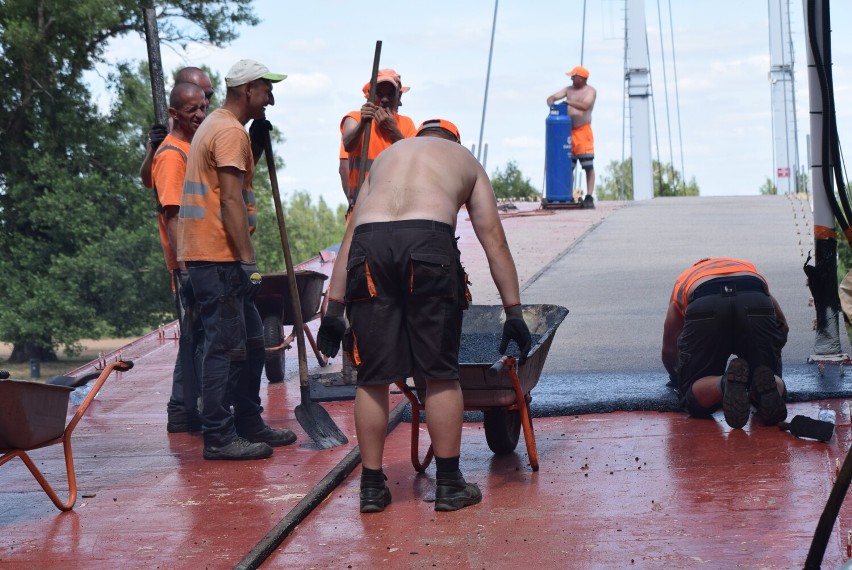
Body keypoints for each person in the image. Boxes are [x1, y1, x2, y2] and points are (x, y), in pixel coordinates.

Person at [317, 118, 532, 513]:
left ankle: (371, 487)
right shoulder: (463, 159)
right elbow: (493, 239)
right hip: (428, 243)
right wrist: (513, 311)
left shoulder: (386, 157)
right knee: (439, 373)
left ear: (419, 138)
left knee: (373, 377)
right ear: (454, 140)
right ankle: (450, 484)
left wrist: (334, 309)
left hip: (371, 246)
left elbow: (350, 236)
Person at [178, 59, 296, 460]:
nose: (272, 99)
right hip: (218, 258)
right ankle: (218, 436)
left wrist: (257, 144)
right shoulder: (228, 131)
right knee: (224, 348)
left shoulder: (222, 127)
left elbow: (230, 181)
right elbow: (229, 199)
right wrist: (248, 262)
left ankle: (248, 420)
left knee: (250, 341)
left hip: (216, 255)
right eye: (267, 91)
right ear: (248, 90)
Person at [661, 258, 789, 429]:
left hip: (705, 299)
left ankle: (724, 383)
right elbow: (782, 325)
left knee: (692, 395)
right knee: (766, 372)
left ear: (697, 266)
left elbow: (670, 348)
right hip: (753, 293)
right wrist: (770, 353)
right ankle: (770, 382)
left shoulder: (685, 279)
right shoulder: (744, 267)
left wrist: (677, 376)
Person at [150, 82, 207, 433]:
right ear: (173, 114)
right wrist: (186, 270)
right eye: (192, 111)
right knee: (197, 338)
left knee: (195, 336)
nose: (200, 115)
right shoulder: (172, 155)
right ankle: (183, 408)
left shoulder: (190, 146)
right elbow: (174, 215)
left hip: (201, 258)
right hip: (191, 263)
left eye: (203, 108)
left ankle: (184, 410)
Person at [340, 68, 415, 207]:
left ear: (399, 96)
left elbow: (414, 160)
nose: (384, 100)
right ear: (369, 95)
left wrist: (392, 130)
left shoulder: (407, 124)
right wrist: (363, 123)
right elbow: (348, 147)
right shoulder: (355, 118)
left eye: (390, 94)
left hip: (394, 206)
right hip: (361, 205)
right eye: (379, 94)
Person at [141, 67, 214, 189]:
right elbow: (148, 180)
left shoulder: (212, 130)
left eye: (209, 96)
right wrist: (154, 148)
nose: (206, 102)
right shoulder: (165, 132)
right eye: (201, 94)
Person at [546, 65, 597, 208]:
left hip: (583, 132)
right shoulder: (568, 90)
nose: (571, 78)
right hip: (568, 133)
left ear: (581, 78)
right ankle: (567, 193)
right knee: (567, 166)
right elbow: (553, 97)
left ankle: (589, 195)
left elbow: (585, 106)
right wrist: (552, 102)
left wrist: (568, 102)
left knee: (588, 165)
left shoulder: (590, 91)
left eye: (573, 76)